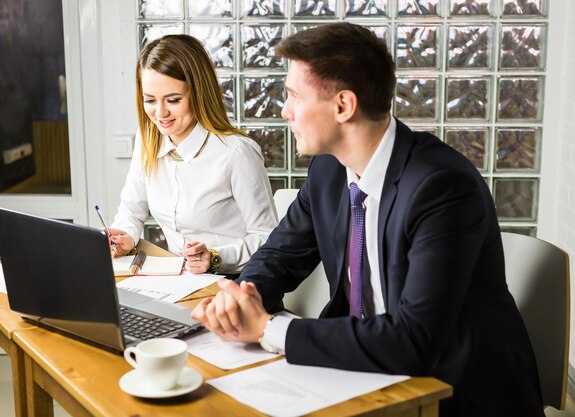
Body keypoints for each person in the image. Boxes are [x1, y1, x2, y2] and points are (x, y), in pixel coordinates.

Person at [192, 23, 545, 416]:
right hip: (364, 372)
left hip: (454, 391)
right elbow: (280, 256)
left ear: (343, 105)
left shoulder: (442, 186)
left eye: (293, 95)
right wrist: (240, 298)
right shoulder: (329, 171)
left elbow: (415, 340)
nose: (284, 110)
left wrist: (267, 329)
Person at [109, 35, 277, 275]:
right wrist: (124, 235)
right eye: (149, 100)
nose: (160, 113)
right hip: (183, 282)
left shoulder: (236, 152)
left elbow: (268, 239)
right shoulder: (148, 139)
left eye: (174, 100)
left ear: (199, 93)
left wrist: (217, 257)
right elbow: (131, 210)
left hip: (235, 282)